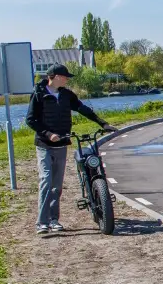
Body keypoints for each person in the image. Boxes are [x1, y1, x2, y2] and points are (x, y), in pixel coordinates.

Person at [25, 65, 116, 234]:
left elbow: (82, 109)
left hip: (61, 145)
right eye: (65, 76)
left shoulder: (66, 95)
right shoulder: (39, 94)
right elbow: (30, 120)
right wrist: (48, 134)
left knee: (57, 186)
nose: (67, 79)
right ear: (56, 76)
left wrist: (102, 123)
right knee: (46, 181)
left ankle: (54, 220)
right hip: (44, 145)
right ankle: (42, 222)